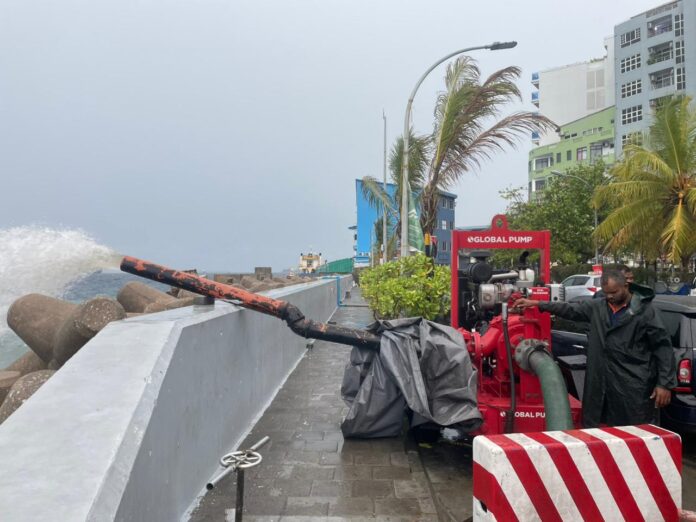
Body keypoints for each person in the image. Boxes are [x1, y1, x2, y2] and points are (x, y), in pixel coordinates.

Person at [513, 268, 675, 428]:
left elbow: (663, 348)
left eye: (614, 292)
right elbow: (569, 309)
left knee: (635, 432)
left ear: (626, 286)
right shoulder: (598, 307)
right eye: (606, 293)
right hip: (601, 384)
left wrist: (664, 384)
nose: (609, 297)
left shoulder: (646, 312)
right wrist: (538, 303)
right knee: (599, 431)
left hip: (633, 387)